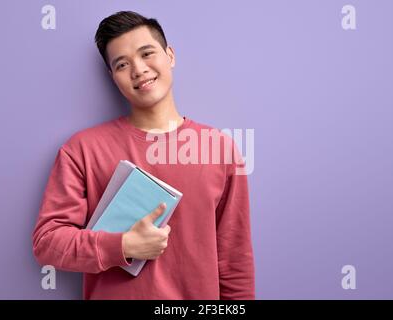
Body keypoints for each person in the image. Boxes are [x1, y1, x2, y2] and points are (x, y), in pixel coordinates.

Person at [32, 10, 255, 300]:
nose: (138, 69)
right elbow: (47, 244)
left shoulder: (220, 148)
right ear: (112, 77)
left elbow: (234, 258)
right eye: (122, 64)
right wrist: (122, 246)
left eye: (147, 53)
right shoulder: (82, 149)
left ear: (170, 56)